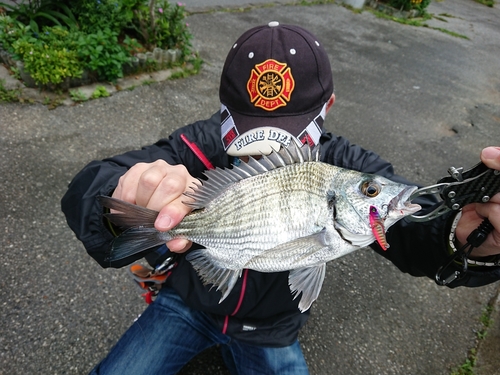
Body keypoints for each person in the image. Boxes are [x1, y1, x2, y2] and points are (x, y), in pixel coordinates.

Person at [61, 22, 500, 374]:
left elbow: (408, 222)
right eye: (248, 125)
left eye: (289, 127)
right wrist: (118, 195)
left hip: (273, 328)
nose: (266, 148)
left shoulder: (341, 163)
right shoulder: (197, 144)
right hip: (190, 304)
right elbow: (90, 185)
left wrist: (467, 234)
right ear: (223, 109)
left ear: (328, 106)